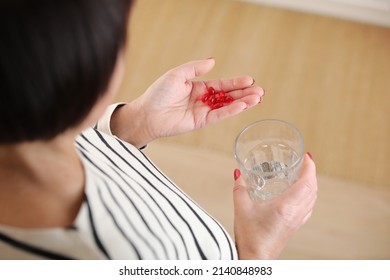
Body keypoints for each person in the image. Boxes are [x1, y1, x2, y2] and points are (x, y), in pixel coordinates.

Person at [0, 0, 317, 260]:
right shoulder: (130, 256)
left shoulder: (20, 134)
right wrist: (257, 250)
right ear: (84, 74)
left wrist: (132, 125)